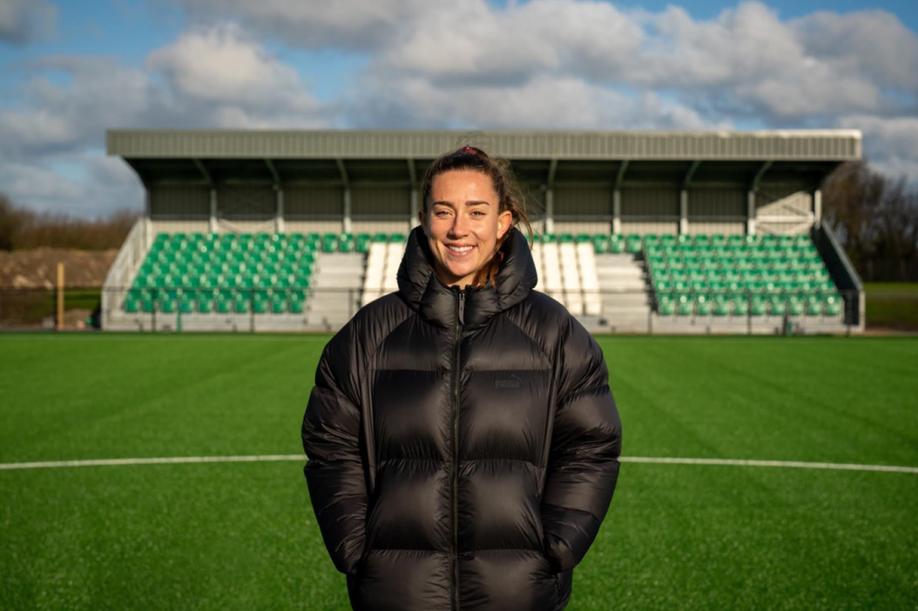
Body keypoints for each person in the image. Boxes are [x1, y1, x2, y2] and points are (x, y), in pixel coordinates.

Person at [302, 145, 622, 611]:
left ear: (502, 223)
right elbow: (331, 444)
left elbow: (592, 443)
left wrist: (556, 545)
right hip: (398, 593)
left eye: (477, 211)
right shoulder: (368, 334)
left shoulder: (556, 333)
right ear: (423, 218)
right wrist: (355, 545)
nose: (458, 228)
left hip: (517, 592)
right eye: (443, 211)